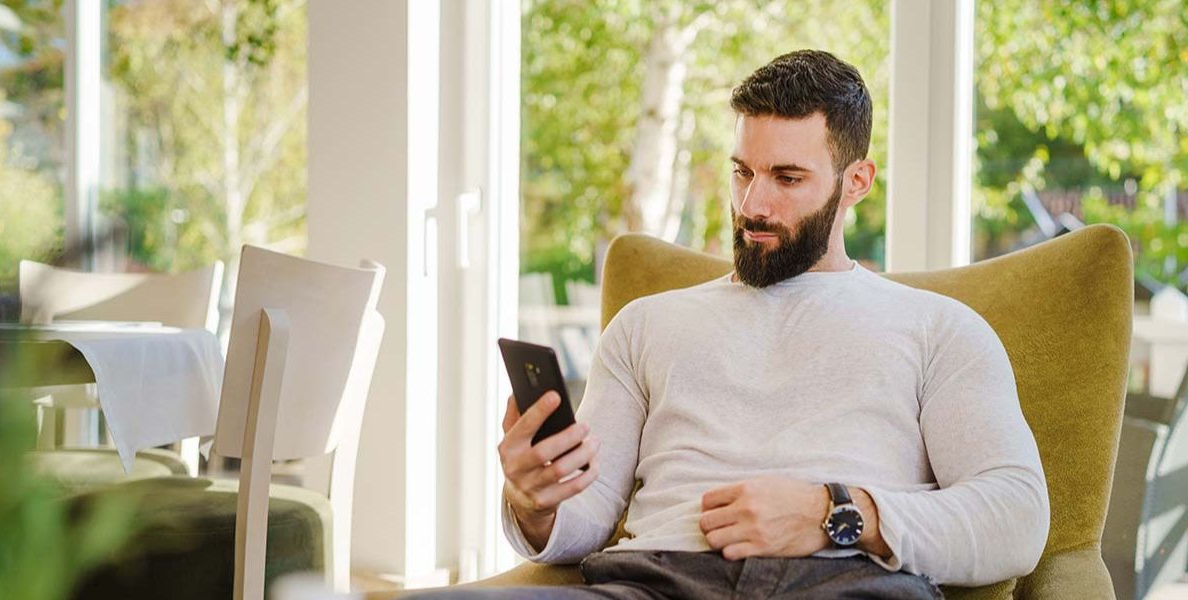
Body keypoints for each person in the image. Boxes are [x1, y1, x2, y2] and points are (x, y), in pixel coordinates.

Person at [411, 49, 1049, 600]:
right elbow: (586, 515)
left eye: (787, 178)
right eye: (743, 171)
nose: (752, 204)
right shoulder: (644, 326)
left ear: (856, 181)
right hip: (650, 582)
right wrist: (534, 501)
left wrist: (833, 513)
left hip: (842, 583)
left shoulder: (940, 330)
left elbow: (1017, 516)